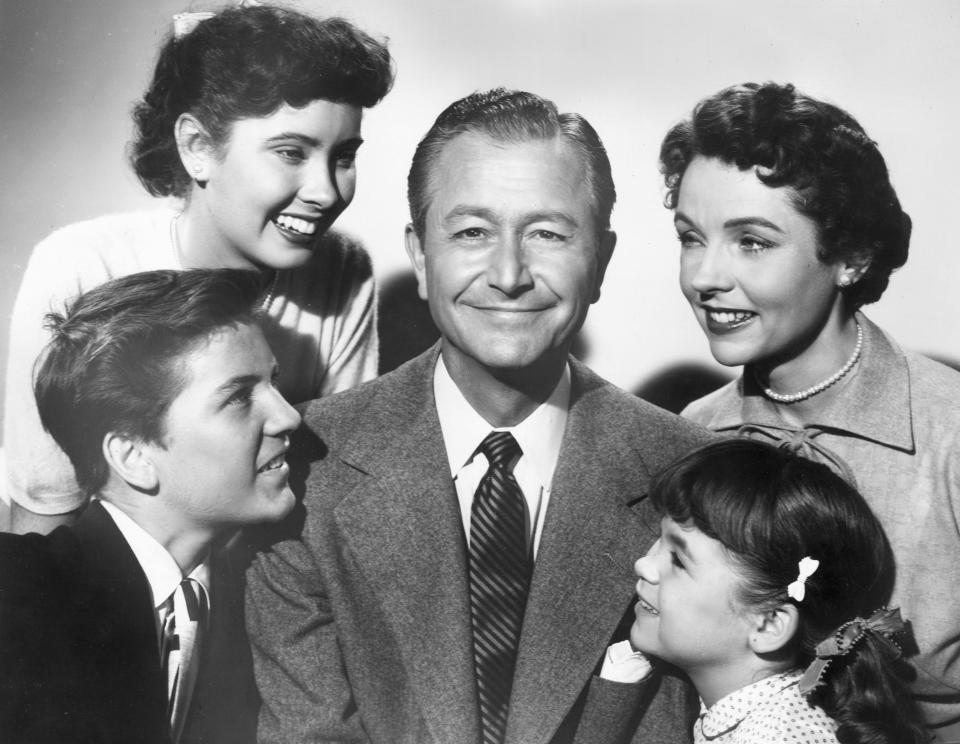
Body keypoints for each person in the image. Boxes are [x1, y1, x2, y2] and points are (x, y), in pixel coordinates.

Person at [245, 88, 713, 744]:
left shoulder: (696, 475)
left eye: (547, 233)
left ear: (601, 261)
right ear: (419, 257)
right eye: (472, 233)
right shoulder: (304, 465)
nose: (509, 273)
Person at [3, 3, 393, 534]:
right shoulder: (80, 265)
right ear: (197, 148)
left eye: (344, 157)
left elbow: (332, 489)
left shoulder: (343, 270)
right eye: (290, 153)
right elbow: (44, 513)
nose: (326, 192)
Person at [659, 81, 960, 740]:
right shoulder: (693, 438)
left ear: (851, 257)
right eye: (690, 237)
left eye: (752, 242)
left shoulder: (952, 435)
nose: (705, 276)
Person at [0, 269, 301, 744]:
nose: (289, 416)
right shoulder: (14, 593)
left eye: (274, 384)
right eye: (240, 397)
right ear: (133, 457)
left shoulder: (270, 601)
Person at [627, 438, 927, 744]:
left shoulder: (778, 735)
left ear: (769, 623)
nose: (643, 564)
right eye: (659, 539)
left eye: (678, 559)